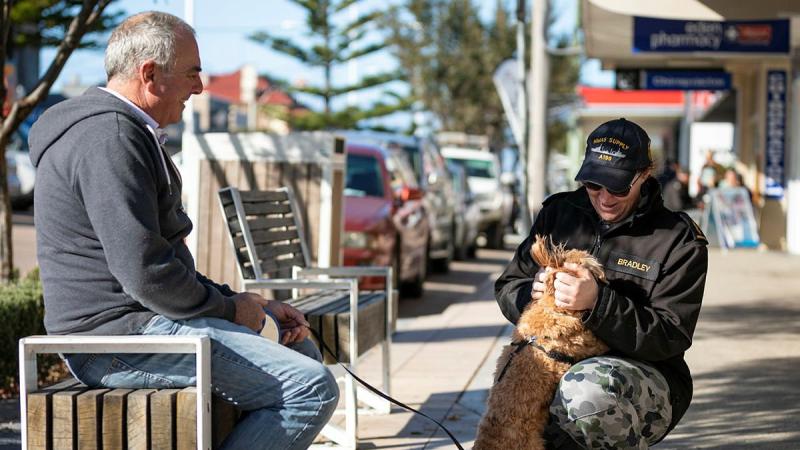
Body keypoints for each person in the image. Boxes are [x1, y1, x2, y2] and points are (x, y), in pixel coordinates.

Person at [29, 12, 338, 449]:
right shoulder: (109, 138)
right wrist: (232, 312)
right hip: (115, 340)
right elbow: (147, 274)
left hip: (141, 324)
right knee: (309, 388)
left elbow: (163, 261)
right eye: (192, 73)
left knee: (298, 350)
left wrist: (245, 302)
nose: (200, 87)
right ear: (150, 75)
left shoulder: (124, 132)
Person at [495, 118, 708, 449]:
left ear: (644, 175)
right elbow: (508, 284)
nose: (605, 198)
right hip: (558, 359)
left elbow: (670, 335)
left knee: (584, 392)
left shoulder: (678, 239)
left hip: (642, 373)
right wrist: (533, 293)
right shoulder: (559, 212)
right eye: (595, 184)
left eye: (619, 188)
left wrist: (598, 303)